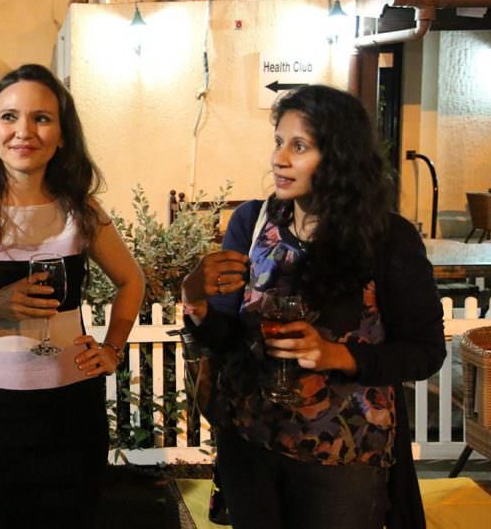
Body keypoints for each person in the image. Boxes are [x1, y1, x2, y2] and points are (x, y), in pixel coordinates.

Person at [180, 85, 445, 529]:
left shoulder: (386, 239)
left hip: (341, 456)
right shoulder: (252, 222)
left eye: (299, 146)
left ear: (339, 157)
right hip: (251, 442)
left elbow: (425, 351)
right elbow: (226, 338)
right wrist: (194, 299)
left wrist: (335, 355)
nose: (279, 159)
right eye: (278, 142)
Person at [0, 64, 144, 529]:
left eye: (42, 118)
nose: (24, 131)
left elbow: (131, 280)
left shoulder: (80, 210)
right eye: (9, 117)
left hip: (73, 414)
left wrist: (113, 348)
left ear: (62, 135)